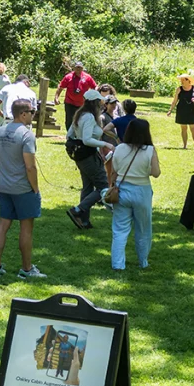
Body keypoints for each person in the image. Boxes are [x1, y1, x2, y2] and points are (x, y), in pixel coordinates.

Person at [0, 98, 46, 279]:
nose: (33, 116)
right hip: (23, 188)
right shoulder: (27, 135)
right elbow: (30, 167)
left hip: (4, 187)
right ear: (23, 113)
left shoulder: (0, 131)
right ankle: (26, 270)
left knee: (3, 224)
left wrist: (5, 163)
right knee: (26, 229)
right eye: (32, 112)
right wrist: (35, 188)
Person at [108, 118, 161, 270]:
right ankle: (143, 261)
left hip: (121, 189)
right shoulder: (150, 150)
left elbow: (114, 171)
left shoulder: (119, 148)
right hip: (141, 190)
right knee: (143, 229)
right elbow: (156, 173)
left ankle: (118, 264)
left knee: (119, 230)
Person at [65, 90, 112, 230]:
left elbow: (69, 135)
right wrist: (105, 144)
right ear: (94, 102)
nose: (101, 104)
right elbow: (86, 140)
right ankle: (78, 210)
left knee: (87, 187)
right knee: (103, 186)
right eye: (100, 101)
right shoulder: (90, 117)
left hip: (81, 157)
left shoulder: (80, 114)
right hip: (88, 157)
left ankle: (84, 221)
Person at [55, 61, 96, 128]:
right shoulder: (68, 77)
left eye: (80, 68)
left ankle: (79, 136)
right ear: (74, 68)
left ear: (82, 69)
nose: (78, 70)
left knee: (81, 120)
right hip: (70, 102)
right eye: (77, 68)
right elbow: (61, 87)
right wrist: (56, 98)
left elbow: (94, 87)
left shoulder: (87, 77)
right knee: (69, 121)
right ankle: (69, 136)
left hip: (82, 104)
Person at [167, 72, 194, 149]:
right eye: (181, 80)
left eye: (183, 80)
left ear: (188, 80)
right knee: (183, 128)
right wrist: (170, 110)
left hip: (192, 110)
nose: (181, 82)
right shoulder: (179, 89)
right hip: (181, 110)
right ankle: (185, 145)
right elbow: (175, 101)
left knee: (193, 128)